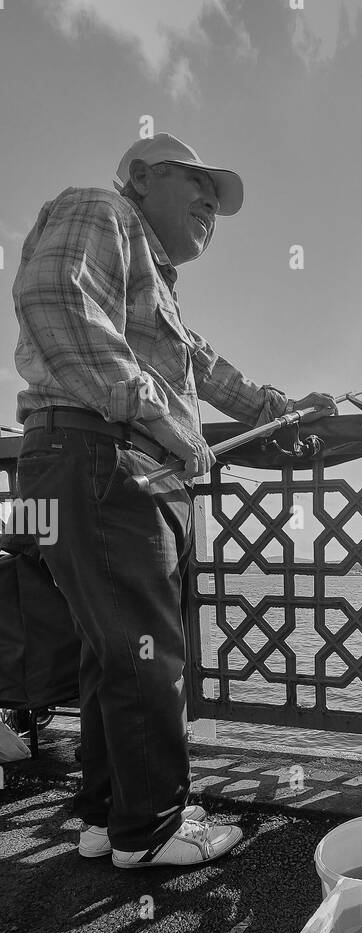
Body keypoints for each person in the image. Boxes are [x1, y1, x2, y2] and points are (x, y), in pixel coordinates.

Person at [11, 134, 337, 868]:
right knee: (147, 655)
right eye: (195, 184)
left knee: (111, 653)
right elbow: (52, 299)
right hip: (105, 461)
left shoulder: (155, 280)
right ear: (141, 179)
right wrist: (160, 416)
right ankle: (151, 831)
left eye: (216, 203)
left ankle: (105, 815)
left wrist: (276, 407)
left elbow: (205, 366)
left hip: (104, 467)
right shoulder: (100, 209)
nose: (209, 208)